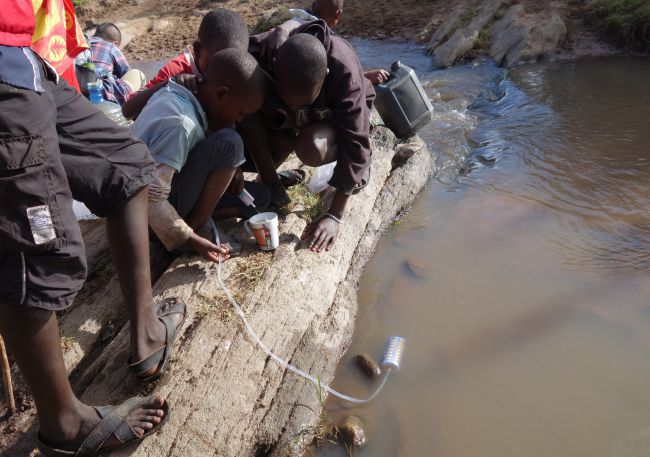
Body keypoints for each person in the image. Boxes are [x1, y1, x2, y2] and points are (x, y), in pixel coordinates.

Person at [0, 1, 192, 454]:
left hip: (24, 58)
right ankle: (63, 425)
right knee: (33, 247)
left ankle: (145, 334)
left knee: (126, 166)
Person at [240, 21, 375, 253]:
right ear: (275, 65)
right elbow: (224, 60)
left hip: (332, 119)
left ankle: (363, 165)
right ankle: (272, 184)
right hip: (291, 119)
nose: (294, 104)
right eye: (289, 97)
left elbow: (357, 139)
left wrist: (334, 215)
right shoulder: (264, 53)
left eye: (302, 99)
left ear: (325, 76)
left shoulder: (344, 72)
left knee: (311, 148)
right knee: (250, 108)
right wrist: (269, 180)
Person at [131, 49, 267, 259]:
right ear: (221, 94)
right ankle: (195, 229)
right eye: (241, 113)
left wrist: (230, 168)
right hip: (147, 219)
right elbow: (150, 197)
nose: (239, 120)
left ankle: (199, 220)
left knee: (260, 198)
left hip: (158, 199)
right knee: (230, 144)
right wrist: (189, 238)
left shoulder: (176, 95)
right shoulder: (180, 124)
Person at [121, 8, 249, 120]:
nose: (225, 73)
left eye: (233, 63)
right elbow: (128, 110)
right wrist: (171, 83)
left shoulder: (238, 73)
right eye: (217, 62)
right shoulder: (179, 70)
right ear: (198, 50)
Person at [287, 0, 390, 84]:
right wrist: (366, 77)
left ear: (313, 6)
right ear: (338, 14)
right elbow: (341, 80)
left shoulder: (292, 26)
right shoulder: (333, 45)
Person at [86, 23, 146, 104]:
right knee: (137, 74)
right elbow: (126, 72)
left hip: (78, 90)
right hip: (102, 92)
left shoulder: (82, 43)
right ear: (115, 43)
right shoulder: (111, 46)